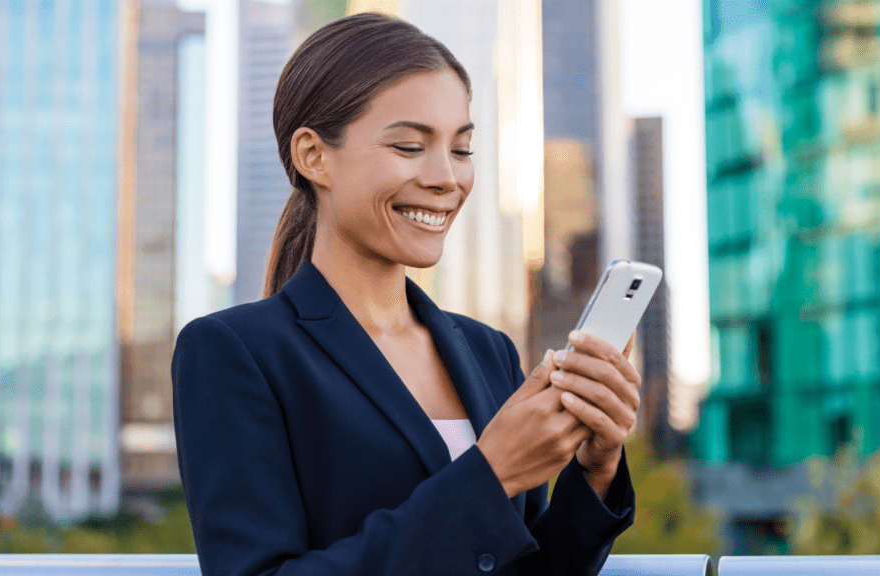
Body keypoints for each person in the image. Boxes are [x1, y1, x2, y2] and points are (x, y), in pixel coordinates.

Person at [172, 12, 641, 576]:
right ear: (312, 156)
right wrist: (490, 476)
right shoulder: (233, 352)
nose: (447, 177)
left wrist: (595, 467)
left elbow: (531, 569)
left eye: (461, 149)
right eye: (409, 146)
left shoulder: (487, 350)